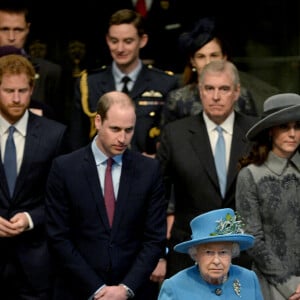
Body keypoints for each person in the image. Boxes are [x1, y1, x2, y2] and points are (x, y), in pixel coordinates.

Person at [46, 91, 167, 300]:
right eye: (115, 129)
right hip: (77, 290)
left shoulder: (149, 170)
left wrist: (126, 288)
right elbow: (58, 237)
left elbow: (154, 239)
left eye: (129, 130)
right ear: (98, 121)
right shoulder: (65, 168)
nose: (122, 138)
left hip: (134, 291)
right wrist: (97, 289)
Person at [156, 60, 258, 277]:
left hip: (244, 255)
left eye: (224, 89)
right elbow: (156, 198)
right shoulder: (175, 135)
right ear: (199, 91)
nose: (216, 96)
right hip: (188, 252)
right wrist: (159, 253)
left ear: (237, 92)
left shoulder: (255, 134)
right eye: (209, 88)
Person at [0, 54, 68, 299]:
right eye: (8, 91)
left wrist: (30, 218)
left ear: (32, 89)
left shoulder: (55, 134)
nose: (16, 98)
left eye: (22, 90)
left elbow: (63, 199)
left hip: (36, 259)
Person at [69, 8, 179, 154]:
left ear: (142, 41)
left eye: (128, 41)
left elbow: (174, 142)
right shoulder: (89, 84)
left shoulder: (165, 84)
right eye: (114, 41)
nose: (120, 49)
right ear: (107, 40)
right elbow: (76, 142)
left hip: (147, 171)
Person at [160, 16, 280, 128]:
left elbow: (252, 138)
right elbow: (168, 143)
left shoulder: (242, 96)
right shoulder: (177, 100)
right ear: (192, 61)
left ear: (224, 57)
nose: (208, 62)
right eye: (201, 56)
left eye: (214, 55)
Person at [236, 93, 300, 300]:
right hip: (272, 286)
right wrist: (289, 285)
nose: (292, 134)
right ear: (271, 130)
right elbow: (252, 237)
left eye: (297, 127)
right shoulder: (251, 175)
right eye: (284, 126)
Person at [158, 208, 264, 300]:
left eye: (223, 252)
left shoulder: (249, 279)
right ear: (196, 254)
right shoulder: (175, 286)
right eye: (208, 252)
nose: (216, 261)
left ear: (232, 253)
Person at [0, 0, 64, 122]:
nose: (11, 37)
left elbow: (60, 127)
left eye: (18, 30)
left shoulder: (49, 72)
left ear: (27, 29)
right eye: (4, 29)